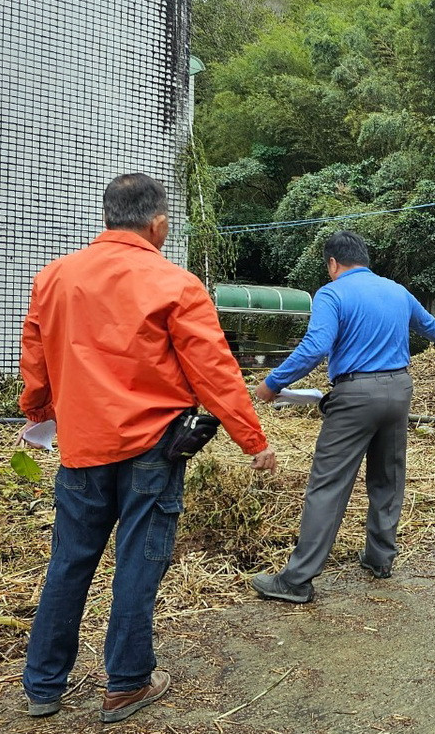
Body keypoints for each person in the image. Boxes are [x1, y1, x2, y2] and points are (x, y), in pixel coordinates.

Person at [18, 173, 277, 722]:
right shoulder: (176, 284)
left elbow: (35, 358)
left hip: (81, 445)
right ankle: (127, 682)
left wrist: (39, 412)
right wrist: (251, 439)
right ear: (157, 223)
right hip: (153, 448)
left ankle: (43, 685)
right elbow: (214, 372)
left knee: (69, 561)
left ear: (108, 216)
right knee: (139, 559)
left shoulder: (54, 278)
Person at [252, 231, 435, 603]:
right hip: (400, 389)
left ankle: (297, 580)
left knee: (328, 485)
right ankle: (380, 558)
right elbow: (426, 323)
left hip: (355, 395)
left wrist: (273, 383)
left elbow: (316, 346)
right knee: (388, 477)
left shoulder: (332, 293)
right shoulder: (396, 290)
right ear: (365, 260)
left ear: (333, 264)